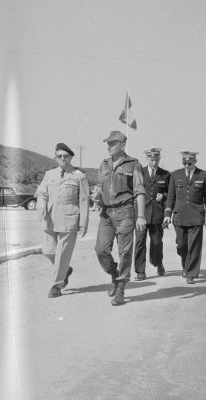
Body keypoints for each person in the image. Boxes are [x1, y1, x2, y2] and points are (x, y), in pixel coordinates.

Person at [92, 131, 146, 306]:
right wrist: (97, 196)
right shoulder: (104, 164)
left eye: (112, 143)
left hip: (125, 213)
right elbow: (100, 186)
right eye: (107, 143)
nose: (108, 146)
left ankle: (121, 289)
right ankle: (114, 273)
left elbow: (139, 191)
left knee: (125, 252)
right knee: (101, 250)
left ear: (122, 146)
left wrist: (141, 216)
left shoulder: (133, 164)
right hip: (106, 214)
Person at [36, 143, 90, 298]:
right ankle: (65, 270)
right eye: (59, 156)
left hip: (69, 219)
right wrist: (41, 205)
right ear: (55, 158)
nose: (62, 159)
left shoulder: (79, 176)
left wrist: (83, 223)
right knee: (48, 251)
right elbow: (42, 193)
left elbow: (84, 200)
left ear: (71, 157)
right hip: (50, 218)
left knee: (62, 254)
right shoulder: (49, 174)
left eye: (65, 156)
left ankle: (57, 285)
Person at [163, 151, 206, 284]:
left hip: (196, 216)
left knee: (194, 246)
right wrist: (167, 215)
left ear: (195, 162)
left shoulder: (204, 175)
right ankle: (185, 265)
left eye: (189, 163)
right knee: (181, 246)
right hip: (179, 216)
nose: (186, 166)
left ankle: (191, 273)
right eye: (184, 163)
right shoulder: (175, 174)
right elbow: (171, 197)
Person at [134, 148, 170, 280]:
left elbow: (170, 194)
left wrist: (164, 197)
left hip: (157, 215)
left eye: (156, 160)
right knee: (139, 242)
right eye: (151, 159)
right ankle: (140, 271)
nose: (154, 162)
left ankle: (158, 262)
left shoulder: (165, 175)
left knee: (156, 242)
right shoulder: (139, 173)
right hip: (141, 214)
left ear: (159, 159)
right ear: (147, 159)